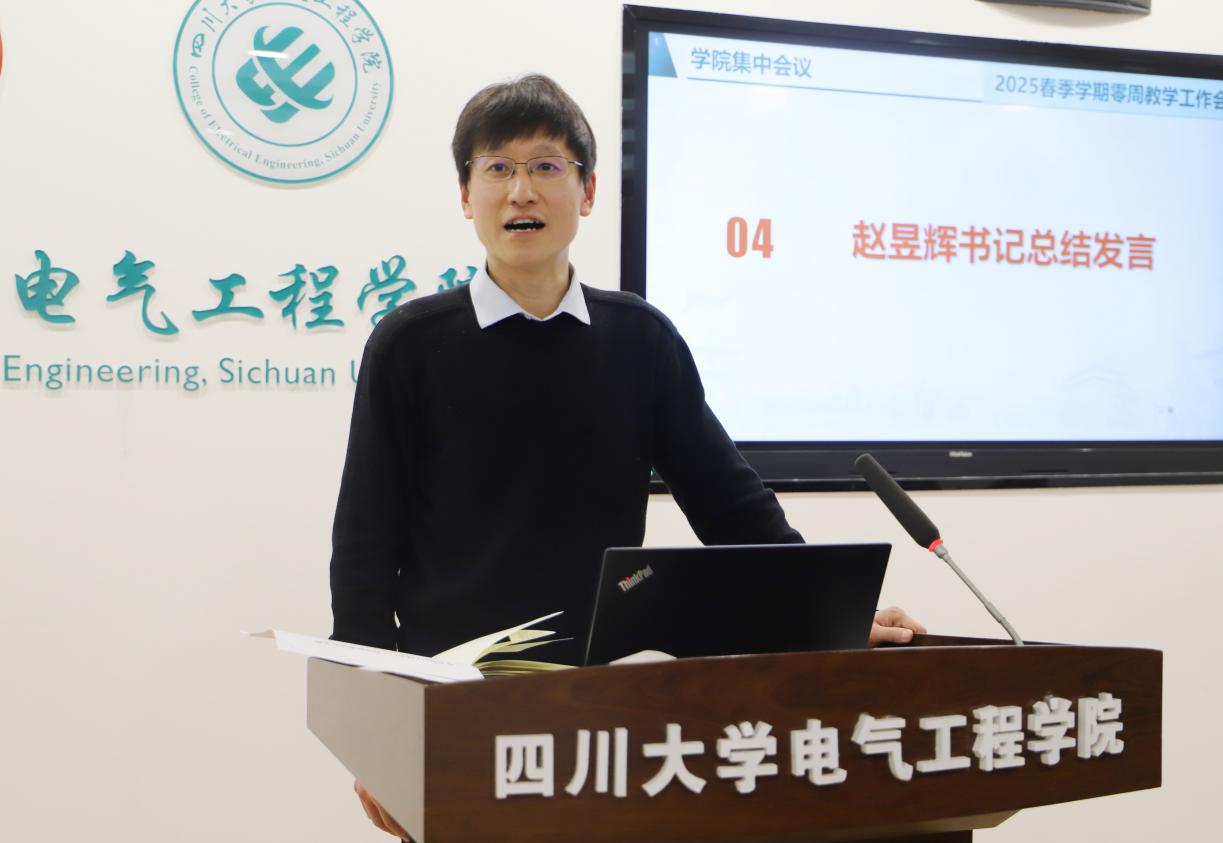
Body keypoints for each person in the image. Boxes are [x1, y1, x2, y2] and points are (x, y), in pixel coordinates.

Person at [330, 73, 924, 840]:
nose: (521, 191)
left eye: (546, 166)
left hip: (602, 707)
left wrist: (831, 615)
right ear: (464, 193)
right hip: (456, 701)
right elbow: (364, 549)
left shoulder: (638, 340)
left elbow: (730, 506)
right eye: (497, 167)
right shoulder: (410, 344)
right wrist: (371, 731)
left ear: (587, 191)